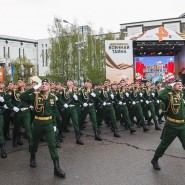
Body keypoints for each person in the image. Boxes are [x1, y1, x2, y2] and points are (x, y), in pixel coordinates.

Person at [20, 79, 66, 178]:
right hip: (37, 122)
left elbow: (54, 112)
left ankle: (56, 168)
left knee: (52, 144)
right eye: (42, 84)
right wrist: (34, 88)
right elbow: (22, 97)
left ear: (50, 86)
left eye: (46, 84)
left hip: (49, 123)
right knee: (34, 143)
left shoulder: (52, 97)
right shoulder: (35, 95)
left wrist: (54, 124)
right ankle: (32, 157)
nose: (43, 85)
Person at [151, 79, 185, 170]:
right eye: (177, 84)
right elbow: (160, 95)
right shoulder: (168, 96)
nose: (180, 85)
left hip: (182, 125)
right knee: (164, 145)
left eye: (181, 84)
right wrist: (169, 86)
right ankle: (155, 159)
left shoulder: (181, 94)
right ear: (173, 86)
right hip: (172, 126)